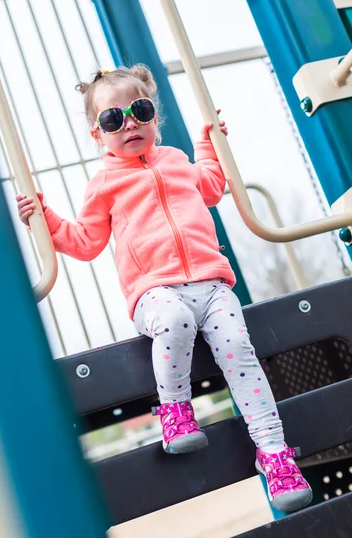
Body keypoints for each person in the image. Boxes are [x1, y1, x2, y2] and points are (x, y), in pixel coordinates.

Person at [16, 65, 312, 512]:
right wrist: (45, 220)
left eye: (140, 110)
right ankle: (175, 411)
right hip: (154, 292)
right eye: (114, 119)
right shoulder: (103, 186)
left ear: (155, 117)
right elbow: (85, 242)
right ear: (98, 135)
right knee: (173, 321)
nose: (129, 123)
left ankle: (274, 453)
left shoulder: (176, 160)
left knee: (238, 346)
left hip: (212, 285)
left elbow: (212, 186)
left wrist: (209, 146)